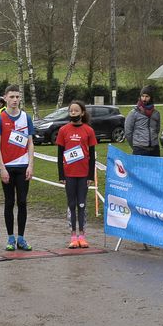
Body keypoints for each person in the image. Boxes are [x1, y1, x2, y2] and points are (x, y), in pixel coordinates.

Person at [0, 84, 35, 251]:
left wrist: (30, 165)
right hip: (8, 166)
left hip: (23, 165)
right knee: (9, 202)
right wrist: (2, 168)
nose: (15, 100)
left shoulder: (26, 118)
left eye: (17, 97)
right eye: (12, 97)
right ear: (5, 98)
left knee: (22, 202)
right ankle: (10, 238)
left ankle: (21, 238)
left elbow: (30, 143)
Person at [55, 100, 97, 249]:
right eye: (71, 110)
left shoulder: (88, 130)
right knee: (71, 204)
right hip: (69, 174)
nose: (73, 113)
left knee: (82, 204)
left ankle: (82, 236)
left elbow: (92, 155)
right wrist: (61, 175)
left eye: (76, 110)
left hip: (84, 174)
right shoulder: (63, 130)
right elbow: (59, 155)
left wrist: (90, 176)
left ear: (82, 113)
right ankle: (73, 236)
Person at [124, 85, 161, 156]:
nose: (144, 99)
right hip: (139, 149)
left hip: (154, 149)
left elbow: (157, 130)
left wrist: (153, 141)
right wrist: (135, 146)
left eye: (147, 96)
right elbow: (128, 132)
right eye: (142, 96)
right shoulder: (134, 113)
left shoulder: (156, 113)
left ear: (151, 97)